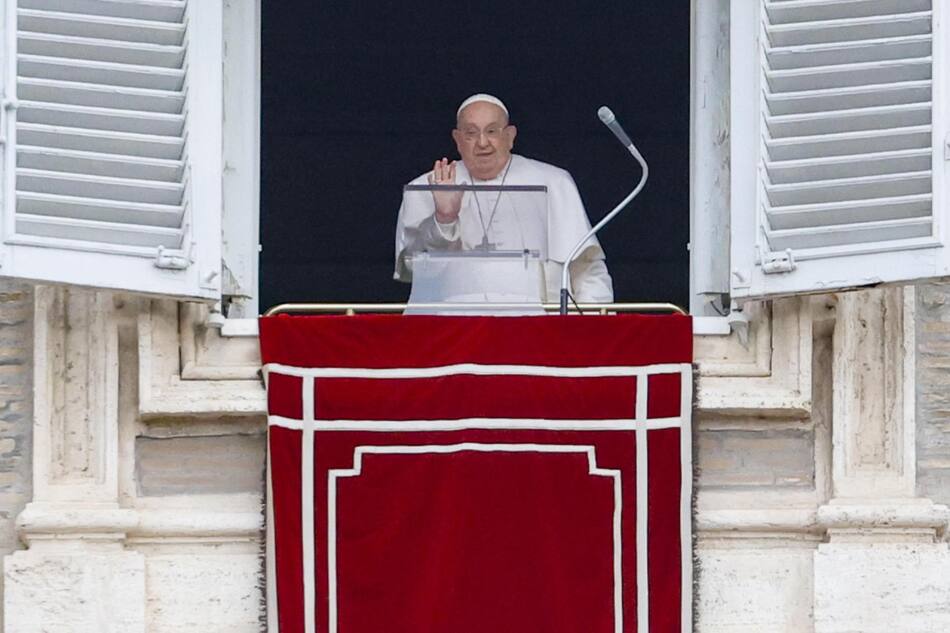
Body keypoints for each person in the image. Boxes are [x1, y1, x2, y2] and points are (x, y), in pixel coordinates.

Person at [394, 93, 613, 303]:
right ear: (457, 140)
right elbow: (413, 269)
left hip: (541, 329)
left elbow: (587, 270)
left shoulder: (554, 182)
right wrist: (444, 218)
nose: (482, 142)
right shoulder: (425, 187)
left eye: (492, 131)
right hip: (455, 331)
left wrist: (589, 330)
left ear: (510, 136)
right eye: (471, 133)